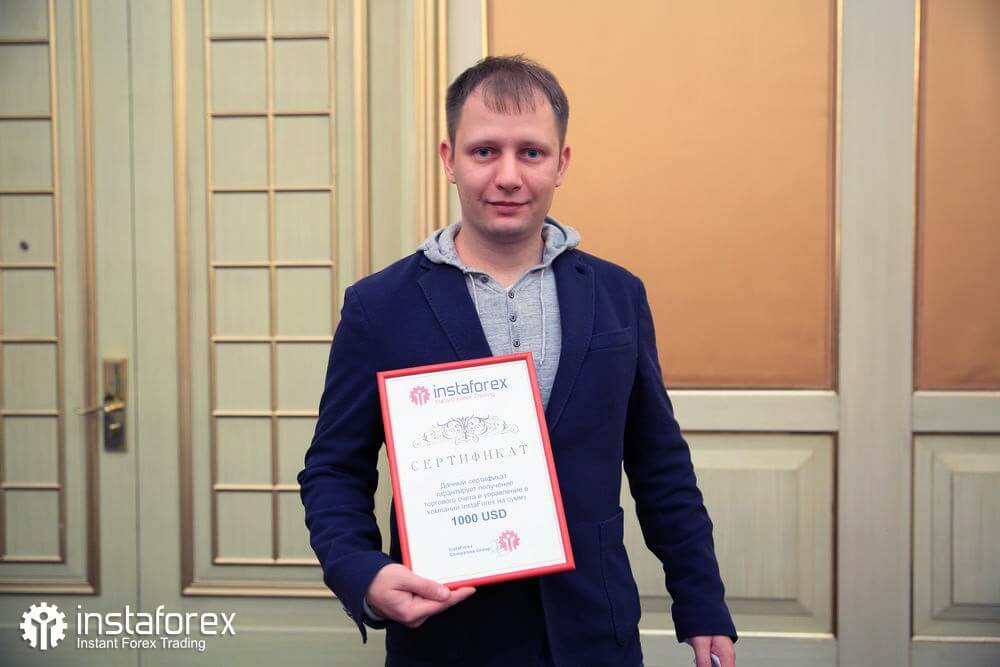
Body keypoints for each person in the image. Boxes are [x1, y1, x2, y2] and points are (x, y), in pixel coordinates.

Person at [298, 55, 737, 667]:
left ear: (562, 162)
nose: (508, 176)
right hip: (449, 639)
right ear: (449, 159)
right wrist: (361, 571)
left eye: (531, 152)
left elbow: (659, 462)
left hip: (594, 634)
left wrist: (702, 601)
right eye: (484, 152)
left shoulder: (618, 296)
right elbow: (333, 468)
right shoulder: (379, 307)